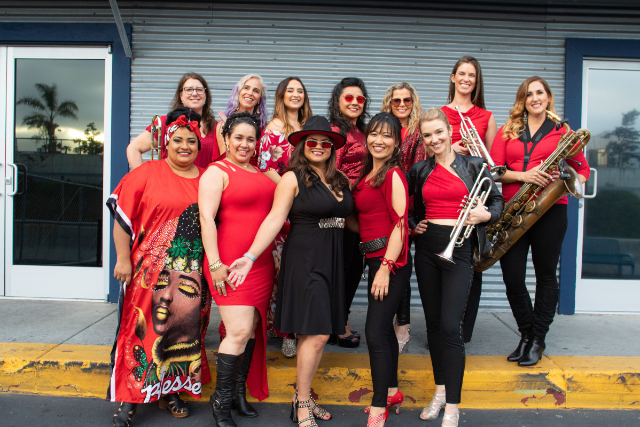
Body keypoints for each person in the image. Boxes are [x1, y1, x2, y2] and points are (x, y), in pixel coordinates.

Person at [227, 116, 352, 427]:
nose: (319, 146)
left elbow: (351, 220)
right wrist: (250, 256)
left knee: (320, 333)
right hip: (306, 261)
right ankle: (303, 400)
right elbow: (274, 219)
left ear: (332, 148)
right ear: (301, 146)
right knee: (318, 333)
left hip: (334, 261)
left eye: (325, 143)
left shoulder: (340, 180)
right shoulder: (291, 178)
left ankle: (302, 395)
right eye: (312, 142)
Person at [107, 107, 211, 427]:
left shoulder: (209, 178)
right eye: (177, 140)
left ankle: (171, 392)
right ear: (165, 142)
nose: (184, 146)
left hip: (192, 275)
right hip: (148, 274)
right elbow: (122, 220)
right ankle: (129, 399)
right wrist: (122, 259)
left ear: (199, 144)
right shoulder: (146, 173)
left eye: (191, 141)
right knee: (140, 333)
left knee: (180, 335)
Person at [407, 108, 503, 427]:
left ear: (450, 131)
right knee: (434, 326)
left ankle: (452, 405)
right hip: (427, 250)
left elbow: (497, 202)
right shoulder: (419, 170)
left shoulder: (474, 165)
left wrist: (485, 215)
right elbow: (409, 207)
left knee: (451, 327)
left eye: (439, 132)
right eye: (427, 135)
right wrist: (414, 225)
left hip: (459, 250)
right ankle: (439, 391)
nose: (434, 139)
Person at [490, 76, 590, 366]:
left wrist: (566, 178)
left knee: (546, 275)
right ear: (522, 100)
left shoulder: (563, 132)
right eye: (529, 94)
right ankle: (526, 333)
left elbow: (582, 171)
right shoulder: (508, 131)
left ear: (548, 97)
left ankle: (537, 339)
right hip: (514, 209)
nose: (535, 98)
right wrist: (523, 176)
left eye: (539, 93)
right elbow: (494, 170)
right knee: (512, 277)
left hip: (551, 209)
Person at [199, 112, 276, 427]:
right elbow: (206, 219)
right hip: (228, 263)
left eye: (251, 139)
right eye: (239, 137)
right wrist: (215, 264)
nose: (245, 144)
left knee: (253, 327)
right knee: (239, 331)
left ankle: (237, 392)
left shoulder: (262, 173)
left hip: (260, 262)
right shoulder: (216, 172)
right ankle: (221, 402)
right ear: (227, 138)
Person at [350, 113, 410, 427]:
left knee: (374, 333)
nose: (379, 140)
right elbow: (363, 220)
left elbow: (400, 224)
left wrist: (385, 268)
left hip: (390, 262)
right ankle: (392, 392)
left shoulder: (393, 175)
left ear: (397, 142)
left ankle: (378, 408)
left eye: (387, 135)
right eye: (374, 133)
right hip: (374, 259)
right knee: (384, 331)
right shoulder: (367, 174)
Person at [441, 56, 498, 343]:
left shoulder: (486, 117)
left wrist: (474, 152)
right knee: (442, 265)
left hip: (474, 194)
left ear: (476, 81)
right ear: (453, 77)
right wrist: (451, 147)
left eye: (471, 75)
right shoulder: (439, 114)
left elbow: (492, 164)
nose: (466, 79)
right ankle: (442, 327)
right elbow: (428, 154)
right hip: (444, 195)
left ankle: (464, 331)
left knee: (471, 265)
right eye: (461, 73)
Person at [259, 77, 313, 358]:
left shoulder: (309, 126)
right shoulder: (274, 128)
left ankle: (295, 328)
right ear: (281, 96)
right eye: (290, 90)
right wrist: (290, 191)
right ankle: (282, 332)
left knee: (301, 273)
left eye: (299, 91)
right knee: (281, 271)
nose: (295, 94)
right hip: (284, 205)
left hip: (309, 207)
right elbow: (265, 166)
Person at [380, 82, 425, 353]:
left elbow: (417, 172)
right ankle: (388, 319)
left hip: (407, 206)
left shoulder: (418, 132)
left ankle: (403, 325)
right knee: (389, 262)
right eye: (396, 100)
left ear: (413, 102)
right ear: (389, 102)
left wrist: (407, 213)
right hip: (383, 203)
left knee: (401, 263)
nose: (401, 105)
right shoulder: (384, 129)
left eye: (406, 100)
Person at [328, 77, 370, 348]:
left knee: (354, 268)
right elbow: (332, 172)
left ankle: (339, 319)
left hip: (358, 211)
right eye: (349, 98)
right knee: (343, 270)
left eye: (360, 99)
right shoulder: (336, 131)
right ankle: (339, 325)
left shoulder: (361, 130)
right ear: (338, 101)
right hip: (342, 211)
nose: (355, 103)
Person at [126, 73, 216, 169]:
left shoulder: (216, 127)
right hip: (169, 178)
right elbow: (134, 148)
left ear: (205, 95)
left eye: (199, 90)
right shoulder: (166, 123)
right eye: (189, 89)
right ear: (181, 96)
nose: (194, 93)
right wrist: (143, 176)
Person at [214, 74, 268, 164]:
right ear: (238, 92)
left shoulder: (263, 127)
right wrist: (230, 128)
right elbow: (225, 161)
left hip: (256, 172)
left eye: (256, 91)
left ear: (259, 99)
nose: (250, 93)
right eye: (246, 88)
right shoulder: (223, 123)